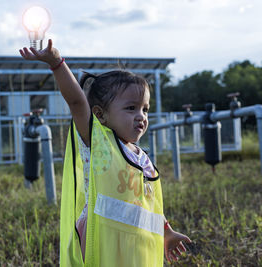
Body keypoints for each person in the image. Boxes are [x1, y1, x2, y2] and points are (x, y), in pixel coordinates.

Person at [19, 39, 191, 266]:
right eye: (131, 108)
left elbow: (147, 202)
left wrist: (166, 231)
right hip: (101, 241)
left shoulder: (142, 158)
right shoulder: (98, 144)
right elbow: (77, 102)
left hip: (134, 246)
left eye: (145, 109)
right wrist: (57, 63)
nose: (141, 116)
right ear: (100, 115)